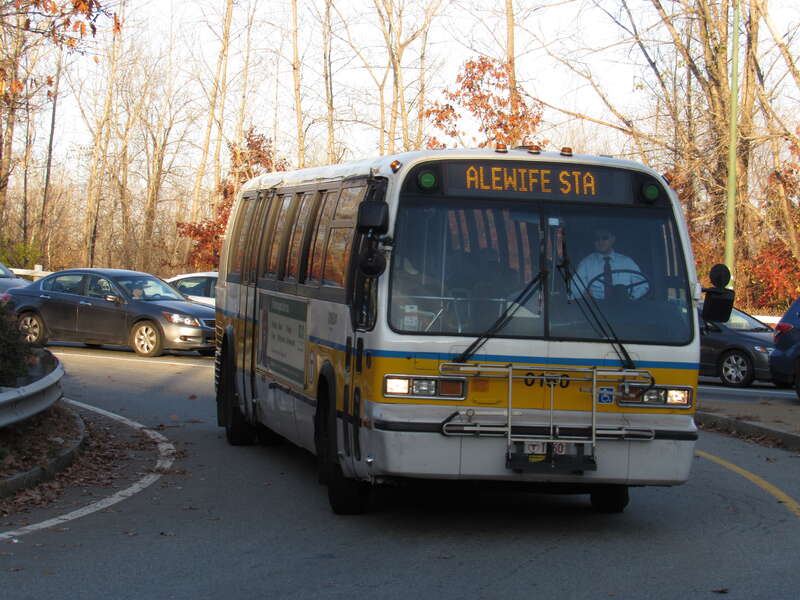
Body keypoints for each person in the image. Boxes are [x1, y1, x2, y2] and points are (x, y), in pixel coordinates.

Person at [574, 229, 649, 300]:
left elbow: (642, 286)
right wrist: (583, 295)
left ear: (613, 239)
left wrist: (630, 299)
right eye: (597, 239)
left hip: (625, 307)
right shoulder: (586, 263)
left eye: (605, 238)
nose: (600, 241)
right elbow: (575, 287)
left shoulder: (627, 261)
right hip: (596, 308)